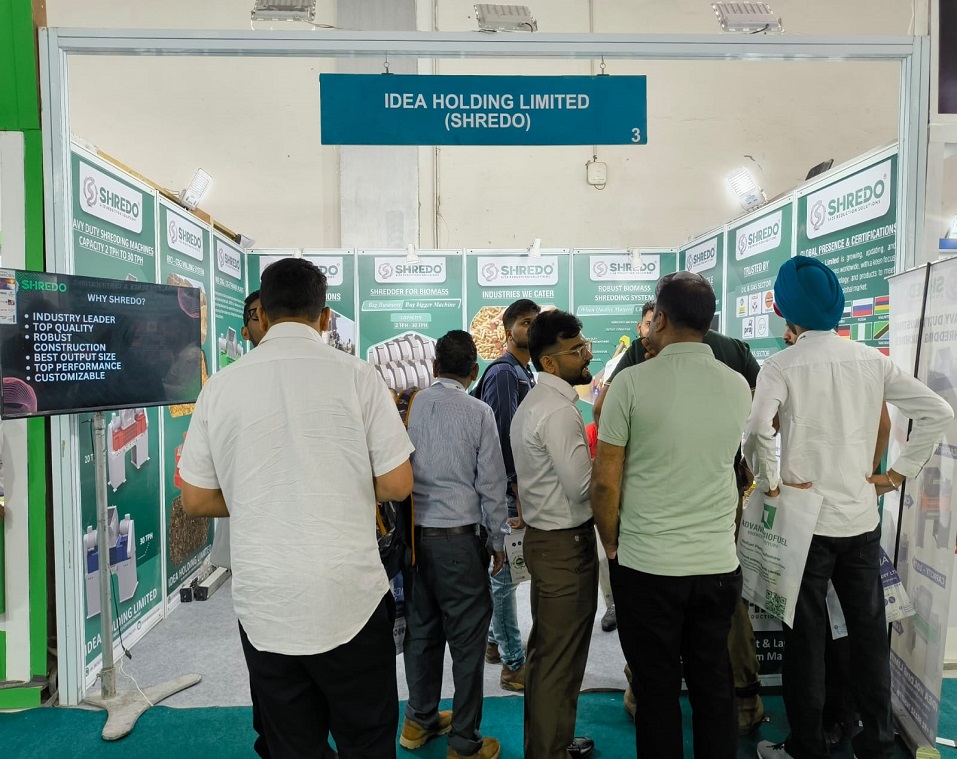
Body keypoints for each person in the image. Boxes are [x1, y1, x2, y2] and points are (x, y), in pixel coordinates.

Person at [179, 258, 414, 758]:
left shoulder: (220, 385)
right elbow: (397, 483)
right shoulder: (358, 376)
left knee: (290, 745)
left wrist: (259, 495)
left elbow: (195, 499)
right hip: (349, 595)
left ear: (262, 314)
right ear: (325, 317)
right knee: (367, 741)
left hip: (266, 602)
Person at [745, 255, 953, 759]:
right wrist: (896, 475)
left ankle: (807, 745)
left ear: (787, 312)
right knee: (867, 635)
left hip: (806, 524)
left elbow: (757, 430)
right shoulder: (871, 360)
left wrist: (769, 481)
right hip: (860, 520)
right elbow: (937, 411)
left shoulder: (781, 365)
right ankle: (876, 741)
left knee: (805, 639)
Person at [592, 271, 750, 758]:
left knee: (656, 689)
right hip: (717, 564)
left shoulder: (631, 383)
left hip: (647, 565)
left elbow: (605, 481)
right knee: (713, 684)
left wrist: (611, 542)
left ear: (659, 319)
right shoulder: (737, 385)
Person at [399, 330, 508, 759]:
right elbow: (492, 484)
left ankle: (418, 720)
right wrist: (498, 540)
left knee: (421, 632)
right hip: (460, 543)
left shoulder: (412, 405)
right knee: (467, 642)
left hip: (415, 540)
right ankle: (464, 742)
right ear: (474, 371)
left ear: (433, 367)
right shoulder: (479, 412)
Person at [511, 309, 597, 759]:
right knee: (558, 659)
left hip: (548, 543)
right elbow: (581, 487)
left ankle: (552, 742)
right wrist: (614, 465)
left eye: (584, 345)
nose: (586, 355)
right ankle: (548, 750)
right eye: (576, 350)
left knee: (549, 653)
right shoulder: (559, 412)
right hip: (565, 546)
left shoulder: (536, 403)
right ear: (548, 362)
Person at [478, 298, 540, 691]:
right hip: (505, 489)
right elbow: (503, 436)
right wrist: (517, 486)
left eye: (536, 322)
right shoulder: (504, 373)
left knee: (505, 574)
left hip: (511, 487)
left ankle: (492, 643)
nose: (531, 328)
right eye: (525, 322)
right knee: (504, 576)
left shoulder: (523, 371)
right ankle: (513, 664)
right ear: (508, 330)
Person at [595, 299, 654, 634]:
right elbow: (601, 410)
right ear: (640, 327)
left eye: (658, 322)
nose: (652, 329)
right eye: (648, 323)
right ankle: (613, 603)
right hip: (625, 464)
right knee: (611, 544)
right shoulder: (623, 362)